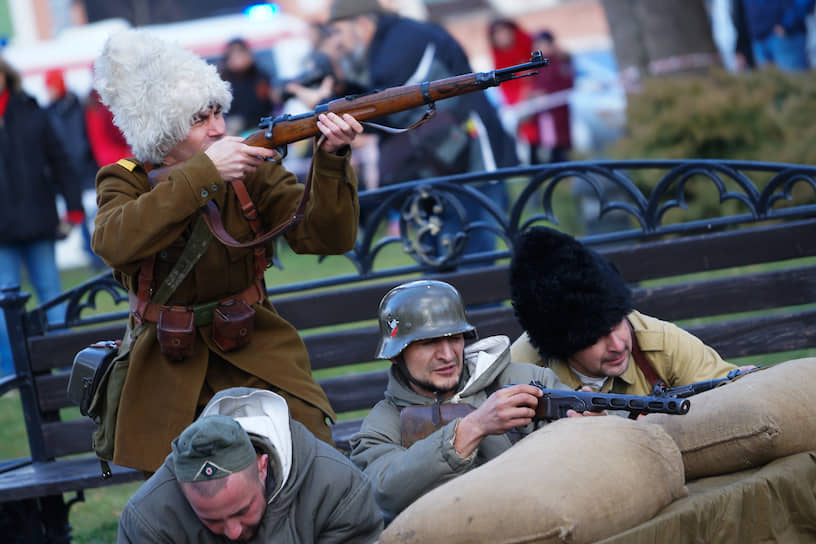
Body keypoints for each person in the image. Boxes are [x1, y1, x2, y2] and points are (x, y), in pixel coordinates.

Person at [90, 29, 363, 473]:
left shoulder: (250, 170)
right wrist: (203, 174)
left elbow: (327, 239)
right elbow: (113, 241)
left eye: (217, 111)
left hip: (259, 350)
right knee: (190, 499)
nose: (219, 127)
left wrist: (332, 157)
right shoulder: (125, 180)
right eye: (200, 118)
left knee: (317, 465)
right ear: (164, 128)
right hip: (166, 366)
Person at [348, 280, 574, 522]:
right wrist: (472, 428)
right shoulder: (384, 423)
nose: (447, 355)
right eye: (428, 343)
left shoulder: (529, 380)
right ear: (395, 355)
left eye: (455, 338)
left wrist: (586, 430)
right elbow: (381, 493)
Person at [327, 0, 518, 259]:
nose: (336, 42)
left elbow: (381, 103)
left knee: (472, 262)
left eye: (338, 31)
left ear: (361, 24)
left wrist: (329, 105)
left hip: (470, 161)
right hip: (441, 164)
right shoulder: (393, 40)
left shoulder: (403, 41)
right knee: (443, 266)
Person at [509, 227, 753, 395]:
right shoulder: (517, 372)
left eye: (616, 323)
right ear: (562, 344)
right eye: (595, 337)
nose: (617, 344)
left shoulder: (659, 343)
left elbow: (735, 393)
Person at [118, 387, 383, 543]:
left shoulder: (338, 489)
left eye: (242, 509)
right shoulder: (148, 519)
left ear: (262, 467)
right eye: (211, 519)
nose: (233, 533)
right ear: (181, 487)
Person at [0, 57, 84, 377]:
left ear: (7, 75)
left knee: (52, 297)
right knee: (4, 308)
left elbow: (61, 161)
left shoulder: (32, 112)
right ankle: (13, 374)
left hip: (39, 222)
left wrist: (74, 208)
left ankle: (68, 368)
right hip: (2, 232)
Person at [44, 69, 104, 270]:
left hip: (87, 170)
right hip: (68, 174)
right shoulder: (49, 112)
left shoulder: (78, 107)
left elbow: (84, 137)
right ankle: (93, 256)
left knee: (95, 214)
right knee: (79, 216)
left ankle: (101, 253)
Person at [487, 19, 539, 163]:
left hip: (535, 106)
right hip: (515, 108)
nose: (501, 36)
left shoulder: (528, 47)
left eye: (503, 31)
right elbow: (505, 84)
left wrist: (526, 97)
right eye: (497, 33)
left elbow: (533, 77)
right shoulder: (498, 57)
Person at [528, 30, 574, 164]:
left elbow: (566, 85)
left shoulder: (561, 62)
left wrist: (545, 93)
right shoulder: (536, 66)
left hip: (558, 114)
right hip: (543, 116)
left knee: (559, 150)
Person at [217, 37, 277, 136]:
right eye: (234, 55)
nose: (239, 58)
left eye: (241, 52)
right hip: (236, 133)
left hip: (264, 129)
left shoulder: (261, 76)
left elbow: (271, 101)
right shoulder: (223, 82)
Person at [739, 0, 815, 71]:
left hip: (787, 36)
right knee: (768, 83)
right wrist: (741, 46)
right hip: (757, 38)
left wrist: (788, 22)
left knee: (794, 81)